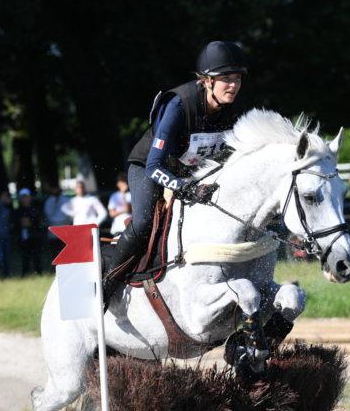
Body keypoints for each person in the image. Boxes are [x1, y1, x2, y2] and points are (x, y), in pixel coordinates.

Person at [103, 41, 247, 307]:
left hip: (191, 171)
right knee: (144, 221)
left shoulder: (234, 108)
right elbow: (154, 166)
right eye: (225, 79)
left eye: (237, 78)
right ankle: (107, 282)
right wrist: (185, 188)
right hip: (150, 166)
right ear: (206, 81)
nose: (233, 85)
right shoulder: (179, 105)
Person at [16, 188, 44, 276]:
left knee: (36, 256)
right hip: (23, 237)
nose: (25, 199)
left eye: (26, 197)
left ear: (30, 198)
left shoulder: (35, 209)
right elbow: (15, 222)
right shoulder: (18, 211)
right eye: (23, 197)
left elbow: (38, 221)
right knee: (25, 256)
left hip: (35, 235)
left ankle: (39, 273)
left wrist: (30, 222)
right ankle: (25, 274)